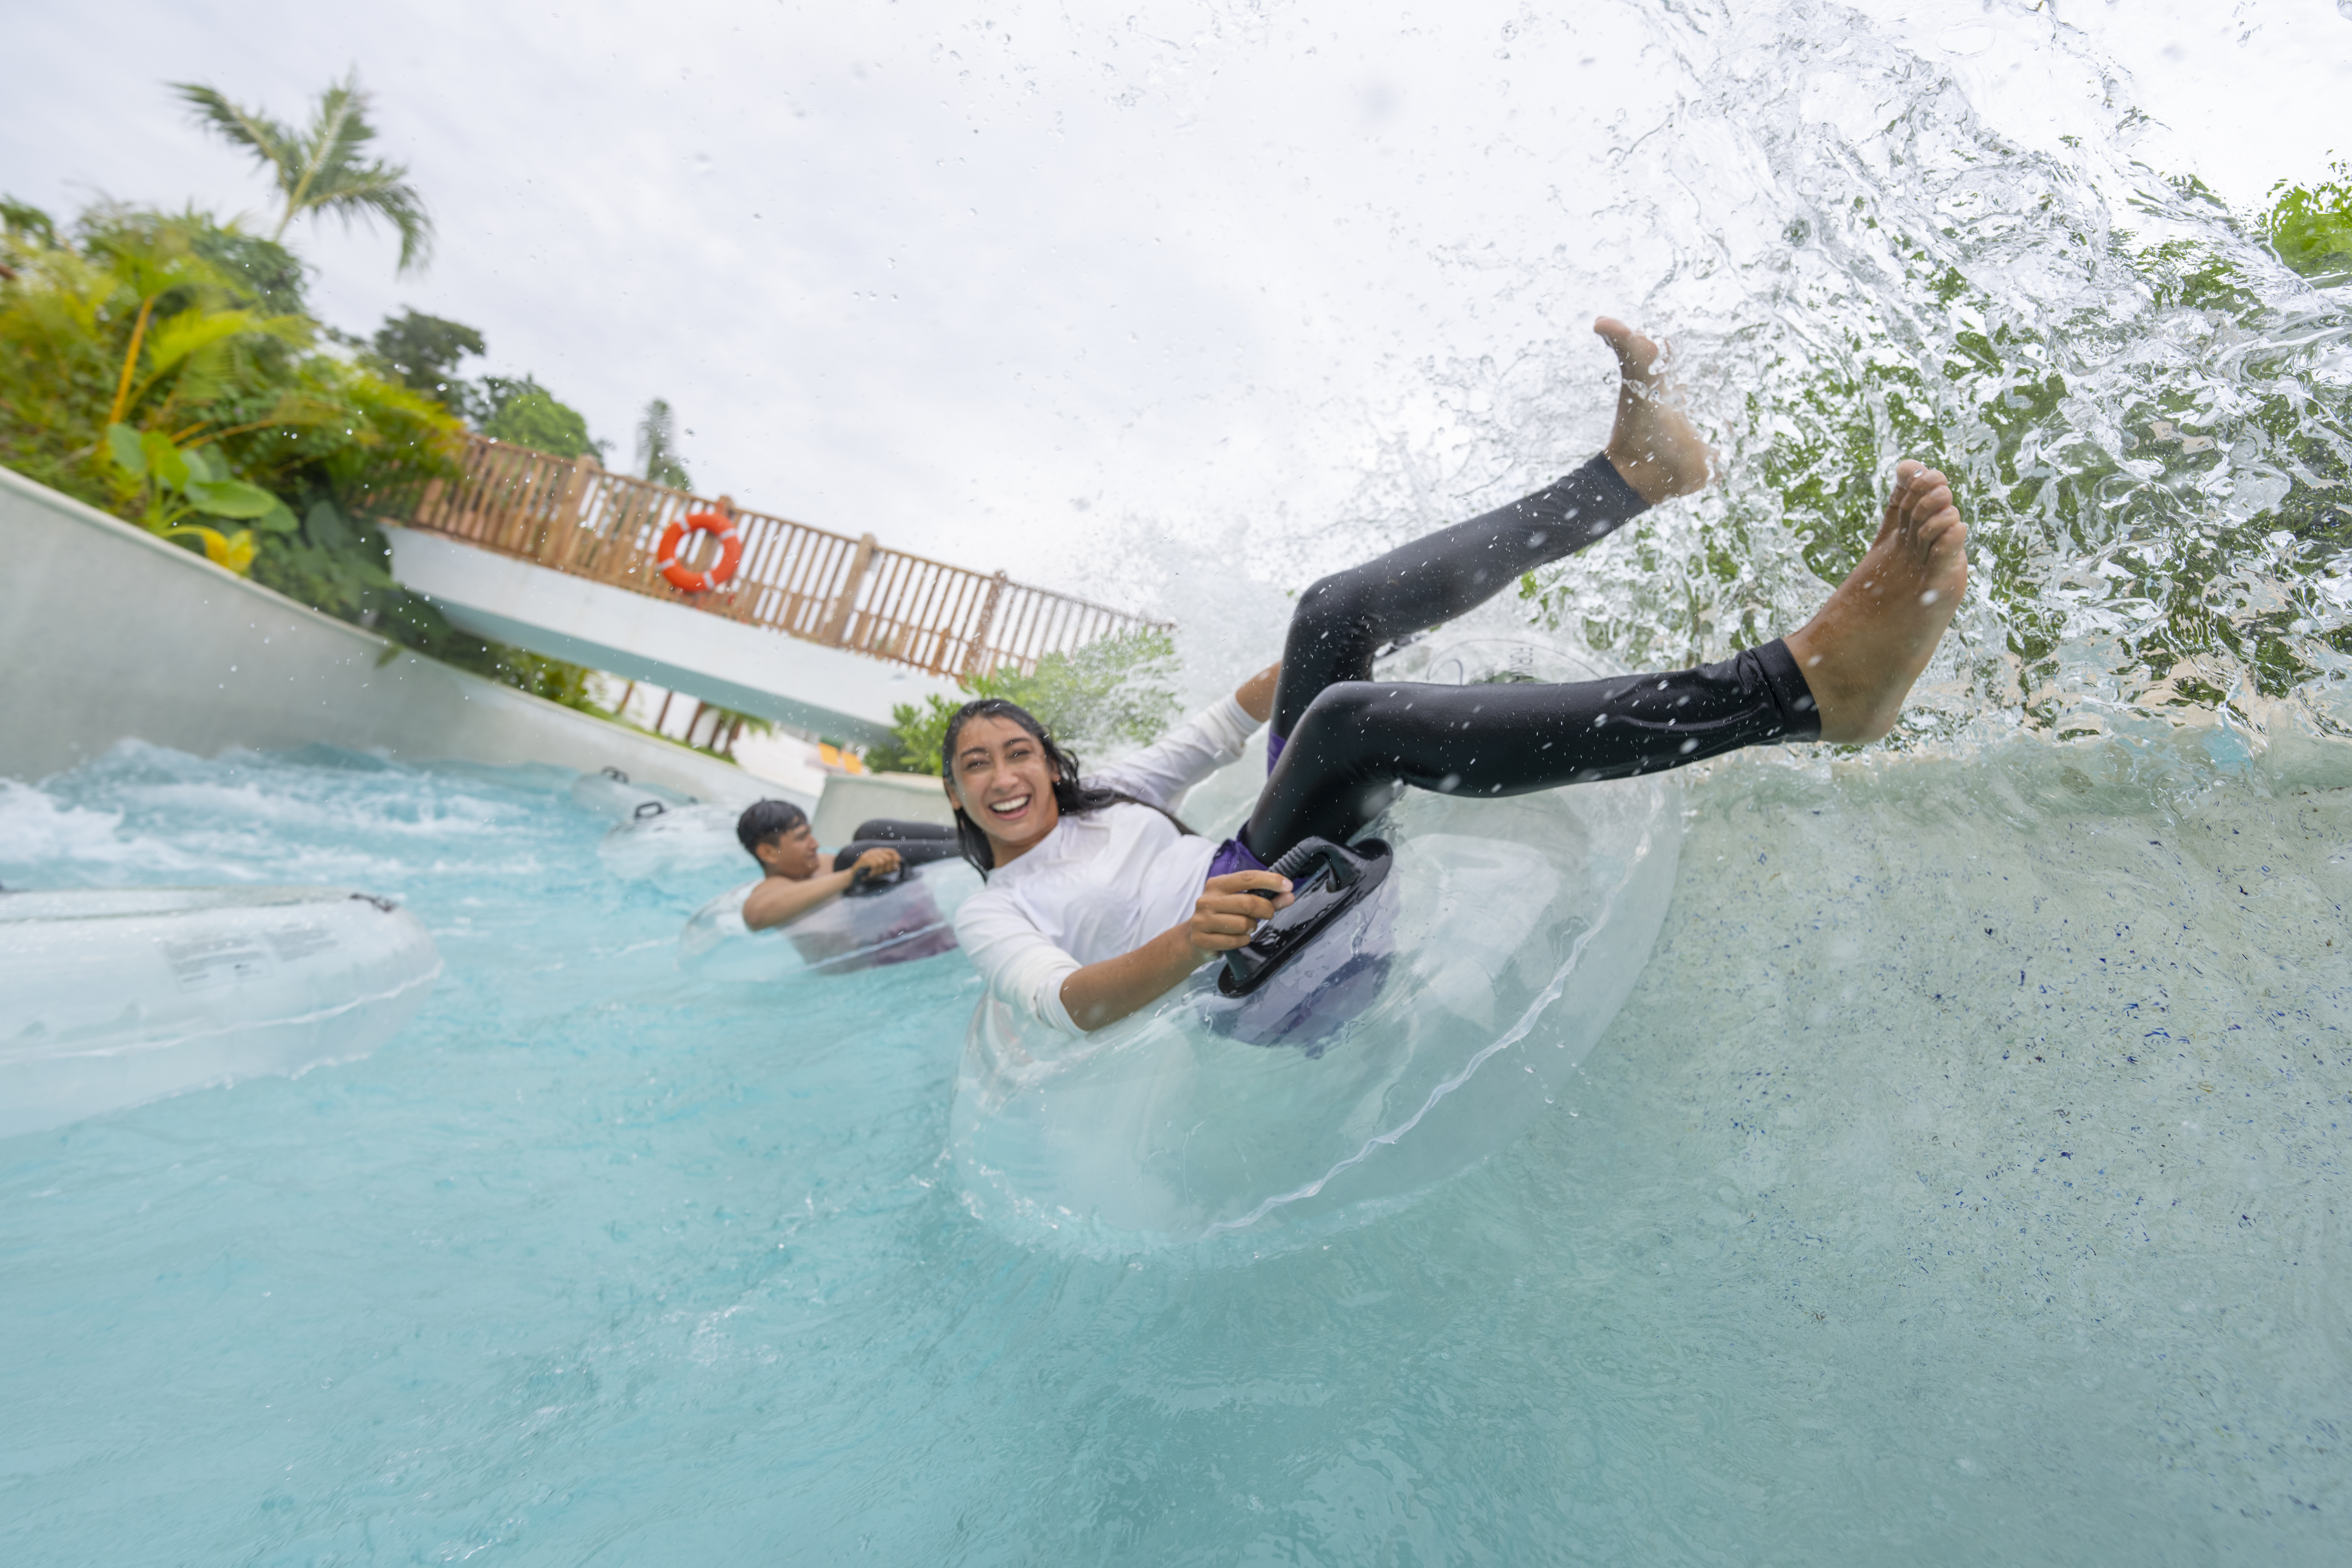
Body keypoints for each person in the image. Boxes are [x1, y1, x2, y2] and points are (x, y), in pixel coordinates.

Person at [947, 316, 1970, 1036]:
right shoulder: (992, 906)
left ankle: (1634, 474)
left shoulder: (1117, 790)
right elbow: (1069, 1006)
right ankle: (1794, 695)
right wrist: (1185, 944)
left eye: (1017, 752)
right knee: (1348, 726)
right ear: (957, 795)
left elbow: (1236, 713)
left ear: (1049, 762)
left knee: (1332, 611)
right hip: (1247, 966)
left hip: (1264, 860)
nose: (1003, 776)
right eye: (978, 766)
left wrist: (1365, 654)